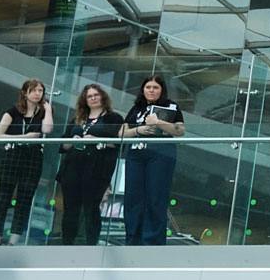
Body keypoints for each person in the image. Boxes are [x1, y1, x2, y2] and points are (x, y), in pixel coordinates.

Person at [120, 75, 185, 245]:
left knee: (155, 197)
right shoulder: (137, 108)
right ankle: (133, 239)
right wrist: (138, 130)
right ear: (143, 89)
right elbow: (121, 132)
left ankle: (152, 242)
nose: (151, 90)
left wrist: (159, 123)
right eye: (148, 87)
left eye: (155, 87)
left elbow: (179, 130)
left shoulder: (170, 106)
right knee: (133, 198)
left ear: (162, 89)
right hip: (136, 154)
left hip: (160, 155)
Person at [55, 84, 124, 245]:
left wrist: (97, 140)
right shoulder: (77, 118)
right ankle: (67, 244)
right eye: (89, 96)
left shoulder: (114, 118)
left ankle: (90, 245)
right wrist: (72, 141)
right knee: (70, 208)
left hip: (97, 168)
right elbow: (62, 145)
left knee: (91, 208)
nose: (93, 98)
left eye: (95, 95)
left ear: (102, 97)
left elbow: (119, 144)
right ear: (84, 100)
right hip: (73, 166)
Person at [0, 80, 54, 244]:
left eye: (40, 90)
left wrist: (48, 109)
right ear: (25, 93)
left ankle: (13, 240)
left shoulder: (42, 113)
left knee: (25, 199)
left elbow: (47, 129)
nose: (37, 93)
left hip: (33, 157)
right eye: (33, 90)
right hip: (13, 154)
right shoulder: (13, 112)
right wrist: (24, 137)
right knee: (3, 197)